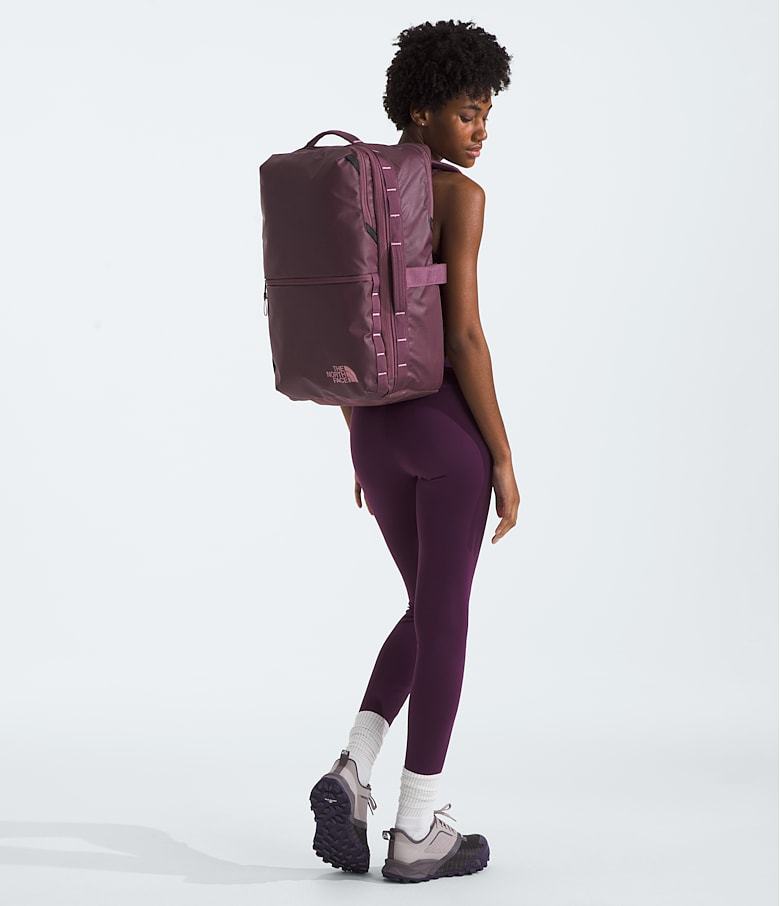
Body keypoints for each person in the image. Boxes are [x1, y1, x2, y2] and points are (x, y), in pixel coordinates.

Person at [309, 19, 519, 883]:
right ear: (422, 111)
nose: (482, 130)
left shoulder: (346, 185)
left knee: (428, 610)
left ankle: (351, 769)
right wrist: (501, 456)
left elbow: (333, 324)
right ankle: (416, 829)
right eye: (470, 112)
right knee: (446, 619)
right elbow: (462, 336)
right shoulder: (458, 197)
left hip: (372, 433)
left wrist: (357, 439)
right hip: (443, 438)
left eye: (488, 114)